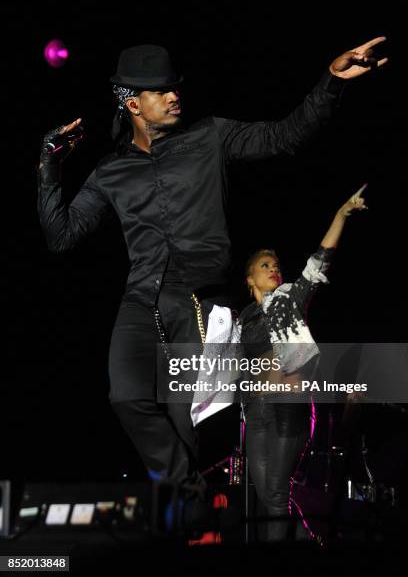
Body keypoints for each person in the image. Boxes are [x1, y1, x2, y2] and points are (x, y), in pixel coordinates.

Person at [36, 40, 386, 488]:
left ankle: (188, 518)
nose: (174, 96)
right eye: (161, 92)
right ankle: (190, 500)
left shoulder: (211, 136)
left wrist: (331, 82)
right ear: (132, 104)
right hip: (142, 301)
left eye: (174, 88)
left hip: (200, 302)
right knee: (125, 397)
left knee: (187, 422)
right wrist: (49, 166)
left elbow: (285, 136)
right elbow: (61, 236)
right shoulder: (111, 170)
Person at [239, 185, 368, 541]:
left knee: (277, 494)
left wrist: (341, 214)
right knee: (267, 496)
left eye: (277, 266)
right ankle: (310, 542)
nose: (274, 269)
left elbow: (320, 259)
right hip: (257, 408)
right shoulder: (239, 320)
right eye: (265, 266)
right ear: (250, 279)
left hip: (288, 401)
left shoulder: (291, 297)